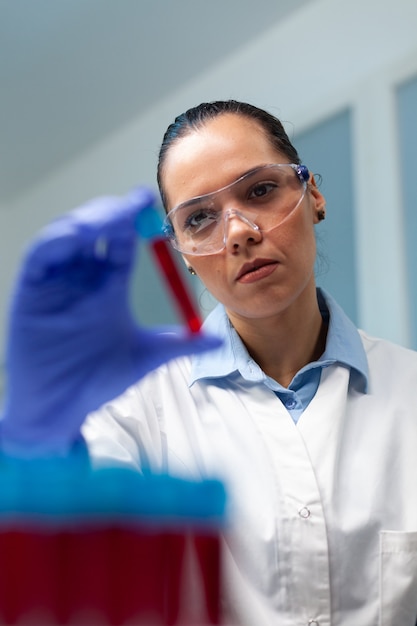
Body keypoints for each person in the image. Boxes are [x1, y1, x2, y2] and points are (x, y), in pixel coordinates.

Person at [1, 100, 417, 626]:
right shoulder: (130, 411)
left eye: (260, 191)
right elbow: (67, 584)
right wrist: (40, 423)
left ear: (312, 194)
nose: (240, 231)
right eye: (200, 218)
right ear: (182, 253)